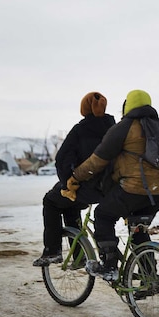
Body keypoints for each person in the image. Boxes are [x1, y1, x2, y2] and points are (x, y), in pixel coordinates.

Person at [61, 89, 159, 280]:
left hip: (134, 190)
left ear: (127, 105)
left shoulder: (125, 126)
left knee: (102, 215)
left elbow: (98, 159)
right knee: (137, 228)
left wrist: (77, 176)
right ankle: (149, 276)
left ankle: (109, 265)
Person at [32, 92, 115, 267]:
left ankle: (52, 251)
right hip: (110, 188)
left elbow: (62, 159)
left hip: (86, 186)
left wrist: (66, 184)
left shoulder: (80, 130)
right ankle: (79, 254)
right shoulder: (113, 128)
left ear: (84, 108)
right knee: (70, 207)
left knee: (51, 200)